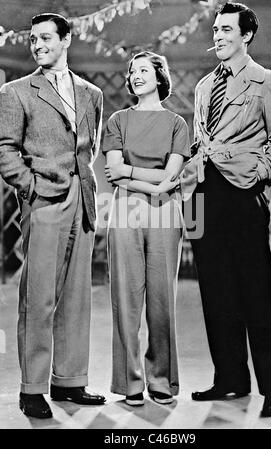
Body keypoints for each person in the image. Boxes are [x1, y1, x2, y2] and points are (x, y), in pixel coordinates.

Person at [181, 2, 271, 417]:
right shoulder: (202, 87)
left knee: (255, 293)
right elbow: (201, 141)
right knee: (215, 292)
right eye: (215, 28)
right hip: (201, 196)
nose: (217, 35)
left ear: (246, 35)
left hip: (242, 195)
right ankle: (230, 379)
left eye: (227, 29)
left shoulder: (265, 82)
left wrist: (257, 175)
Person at [0, 13, 106, 419]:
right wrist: (30, 187)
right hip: (42, 199)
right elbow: (5, 150)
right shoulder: (16, 92)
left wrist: (80, 186)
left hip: (82, 198)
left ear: (66, 40)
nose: (38, 45)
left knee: (78, 295)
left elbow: (89, 148)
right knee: (38, 296)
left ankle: (70, 382)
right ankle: (32, 388)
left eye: (46, 38)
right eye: (33, 39)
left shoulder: (91, 93)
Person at [102, 51, 190, 406]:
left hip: (166, 214)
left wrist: (132, 173)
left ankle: (161, 380)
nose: (136, 76)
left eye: (144, 70)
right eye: (132, 71)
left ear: (159, 76)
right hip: (125, 212)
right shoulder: (118, 120)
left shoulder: (176, 124)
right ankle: (130, 383)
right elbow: (111, 168)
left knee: (161, 300)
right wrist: (154, 181)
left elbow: (172, 175)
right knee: (125, 300)